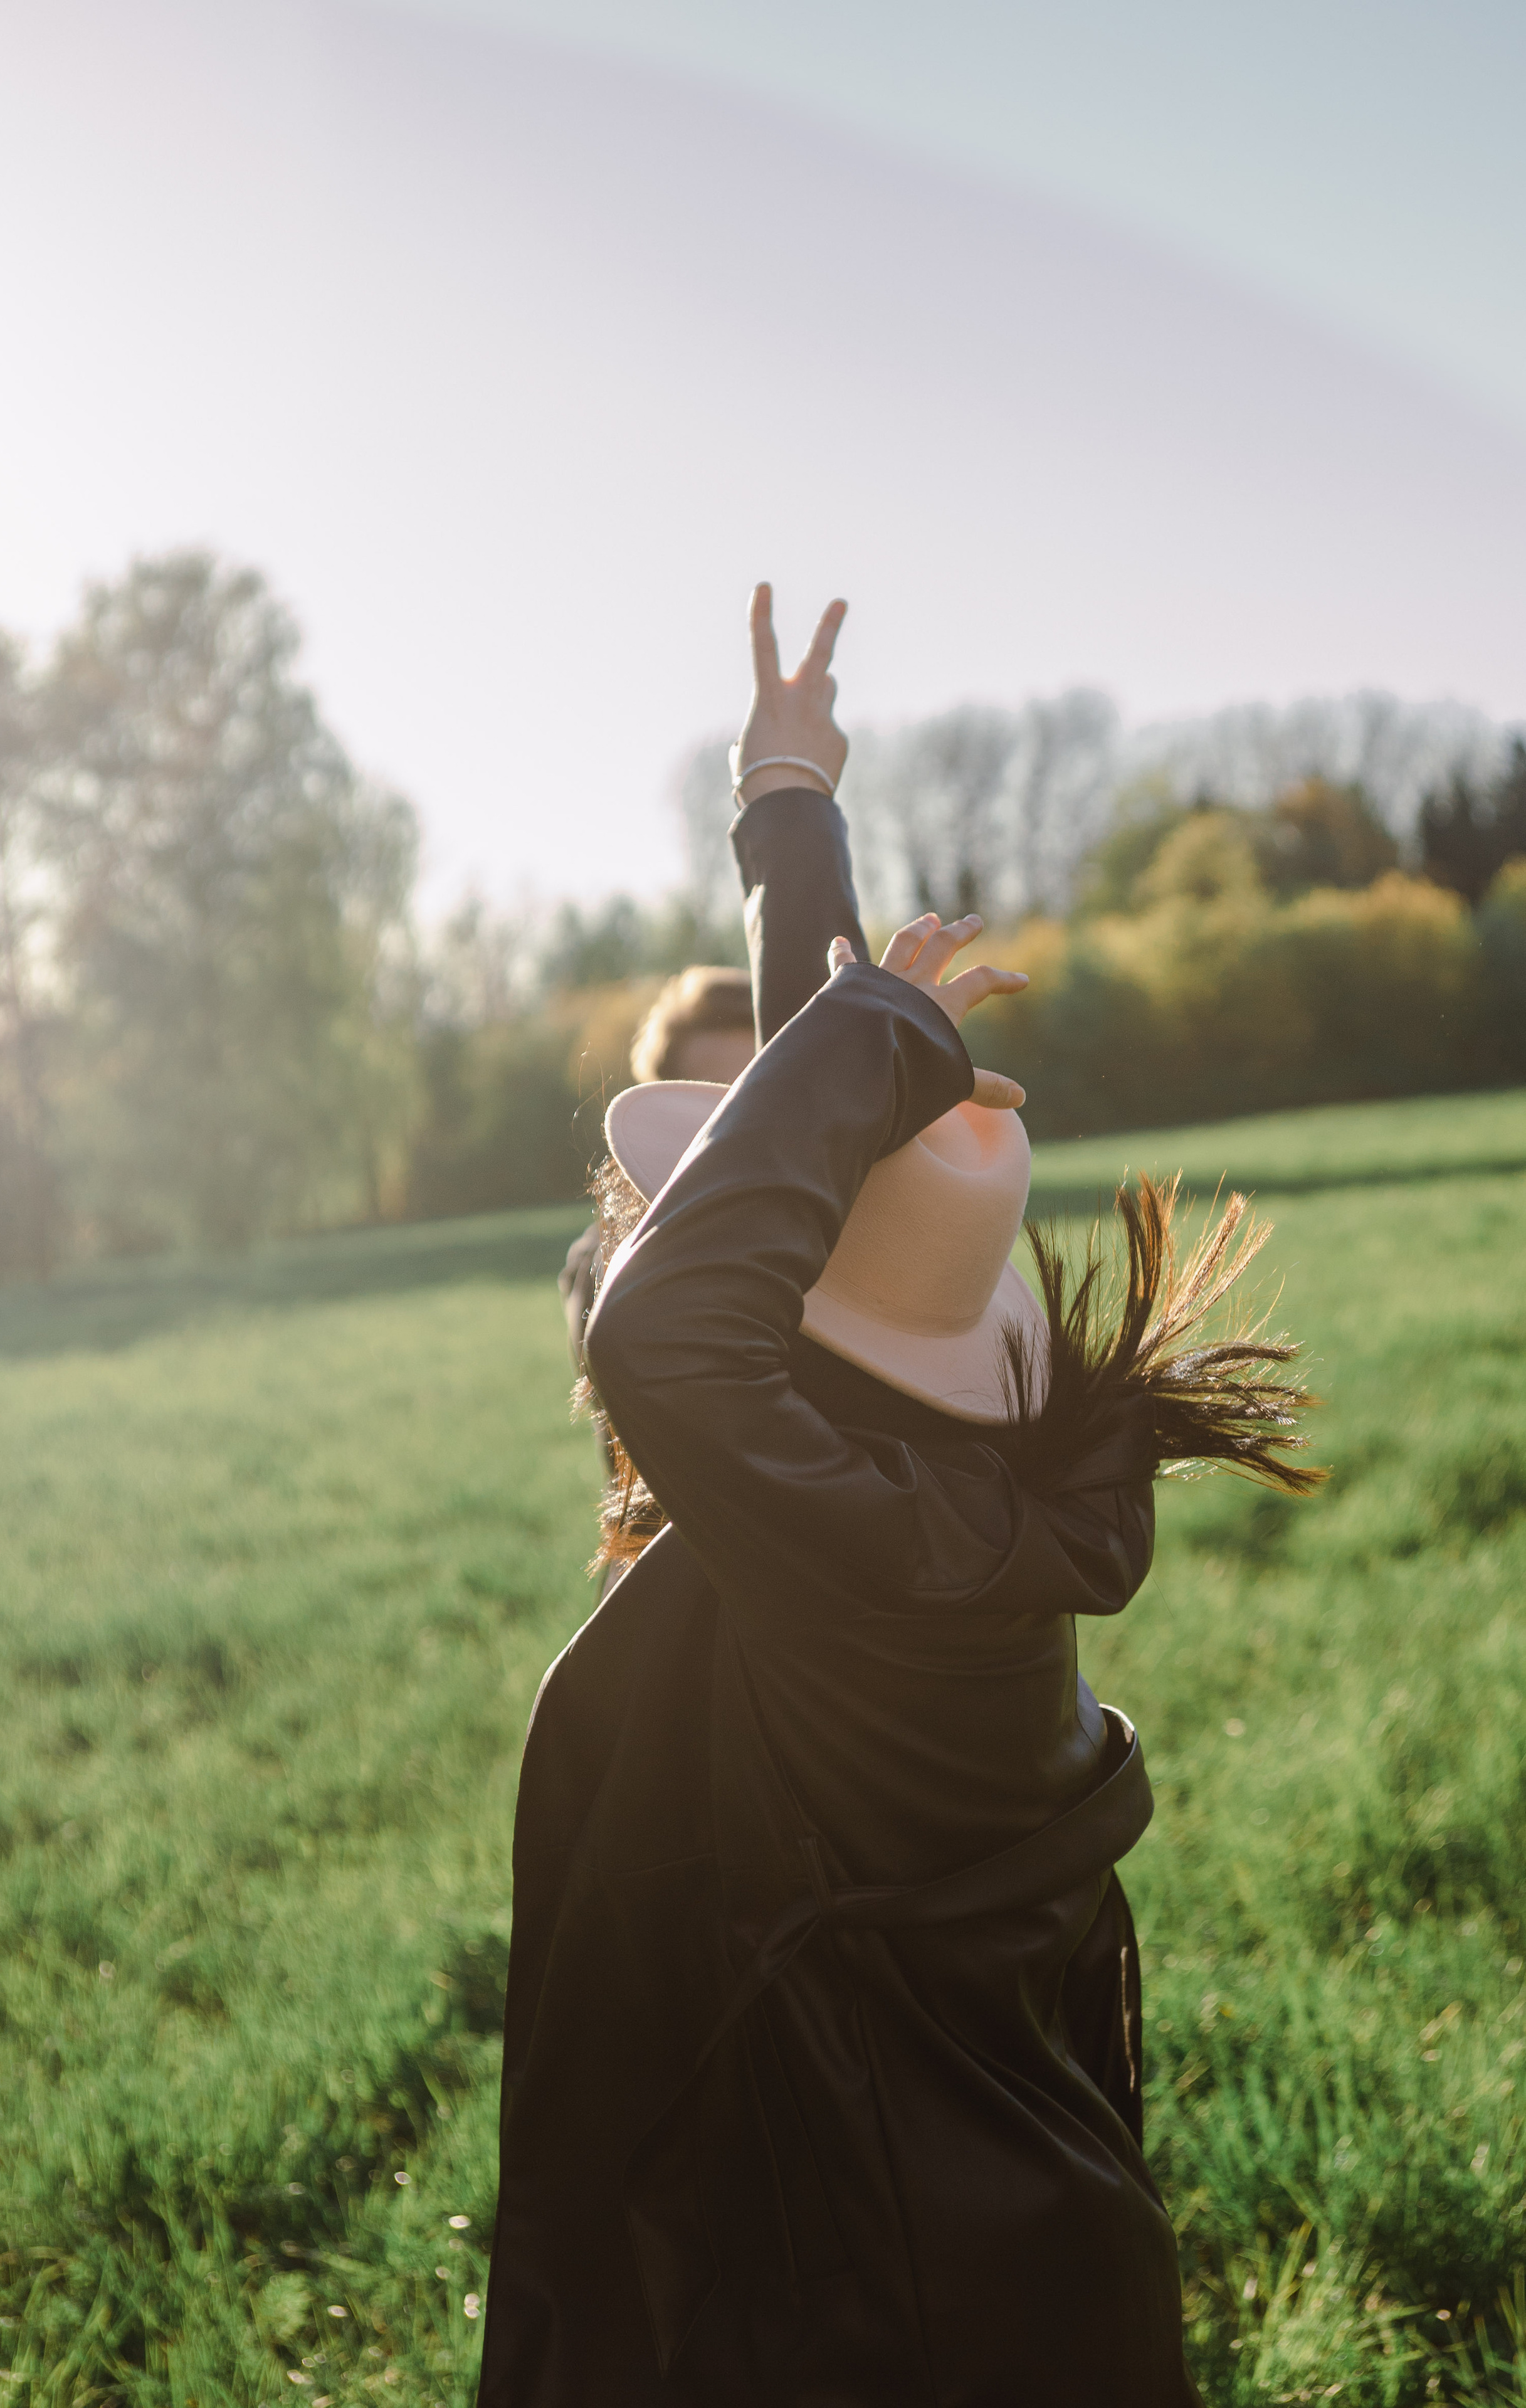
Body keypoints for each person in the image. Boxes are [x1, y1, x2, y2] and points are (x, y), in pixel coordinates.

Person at [478, 588, 1320, 2408]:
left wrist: (877, 1032)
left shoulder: (844, 1539)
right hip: (1008, 2242)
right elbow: (822, 1199)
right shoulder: (949, 1496)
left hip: (867, 2294)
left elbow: (676, 1330)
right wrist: (794, 813)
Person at [559, 968, 757, 1385]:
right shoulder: (613, 1267)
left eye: (761, 1088)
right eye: (715, 1098)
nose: (746, 1122)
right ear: (660, 1110)